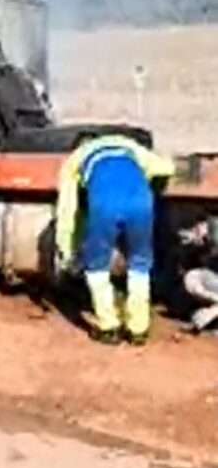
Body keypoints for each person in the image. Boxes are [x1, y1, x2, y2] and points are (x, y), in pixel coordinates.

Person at [55, 134, 174, 345]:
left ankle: (109, 327)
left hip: (104, 204)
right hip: (141, 202)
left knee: (96, 267)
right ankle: (139, 329)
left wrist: (66, 249)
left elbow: (67, 208)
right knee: (140, 264)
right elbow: (165, 167)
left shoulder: (76, 158)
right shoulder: (128, 145)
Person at [178, 215, 218, 334]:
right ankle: (202, 319)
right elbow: (182, 235)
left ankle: (201, 319)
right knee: (192, 277)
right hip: (206, 279)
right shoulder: (209, 226)